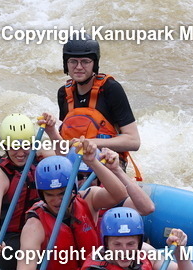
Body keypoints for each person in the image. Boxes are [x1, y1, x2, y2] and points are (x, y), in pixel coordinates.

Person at [14, 141, 127, 270]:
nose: (58, 201)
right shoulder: (34, 225)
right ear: (41, 194)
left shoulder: (88, 200)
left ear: (73, 188)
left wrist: (94, 163)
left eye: (62, 193)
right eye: (51, 195)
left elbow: (120, 194)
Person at [0, 113, 56, 270]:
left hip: (38, 233)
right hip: (11, 240)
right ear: (5, 145)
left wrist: (52, 132)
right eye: (14, 146)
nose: (20, 152)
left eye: (25, 145)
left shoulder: (40, 157)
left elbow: (68, 160)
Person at [57, 34, 141, 178]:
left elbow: (133, 141)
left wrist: (91, 143)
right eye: (73, 61)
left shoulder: (111, 89)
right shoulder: (63, 93)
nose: (78, 67)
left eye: (85, 61)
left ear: (94, 63)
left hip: (106, 160)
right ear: (66, 64)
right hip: (75, 161)